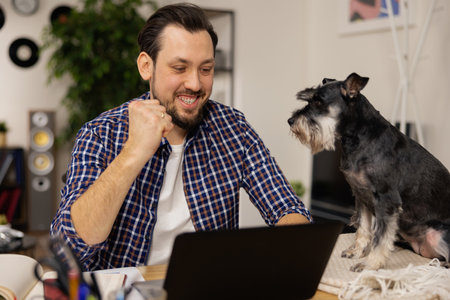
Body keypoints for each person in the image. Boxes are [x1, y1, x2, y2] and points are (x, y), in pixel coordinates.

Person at [51, 3, 311, 271]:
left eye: (206, 69)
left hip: (206, 287)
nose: (196, 84)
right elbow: (69, 250)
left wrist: (291, 245)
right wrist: (134, 152)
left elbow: (286, 208)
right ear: (146, 67)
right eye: (179, 68)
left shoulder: (233, 127)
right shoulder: (100, 134)